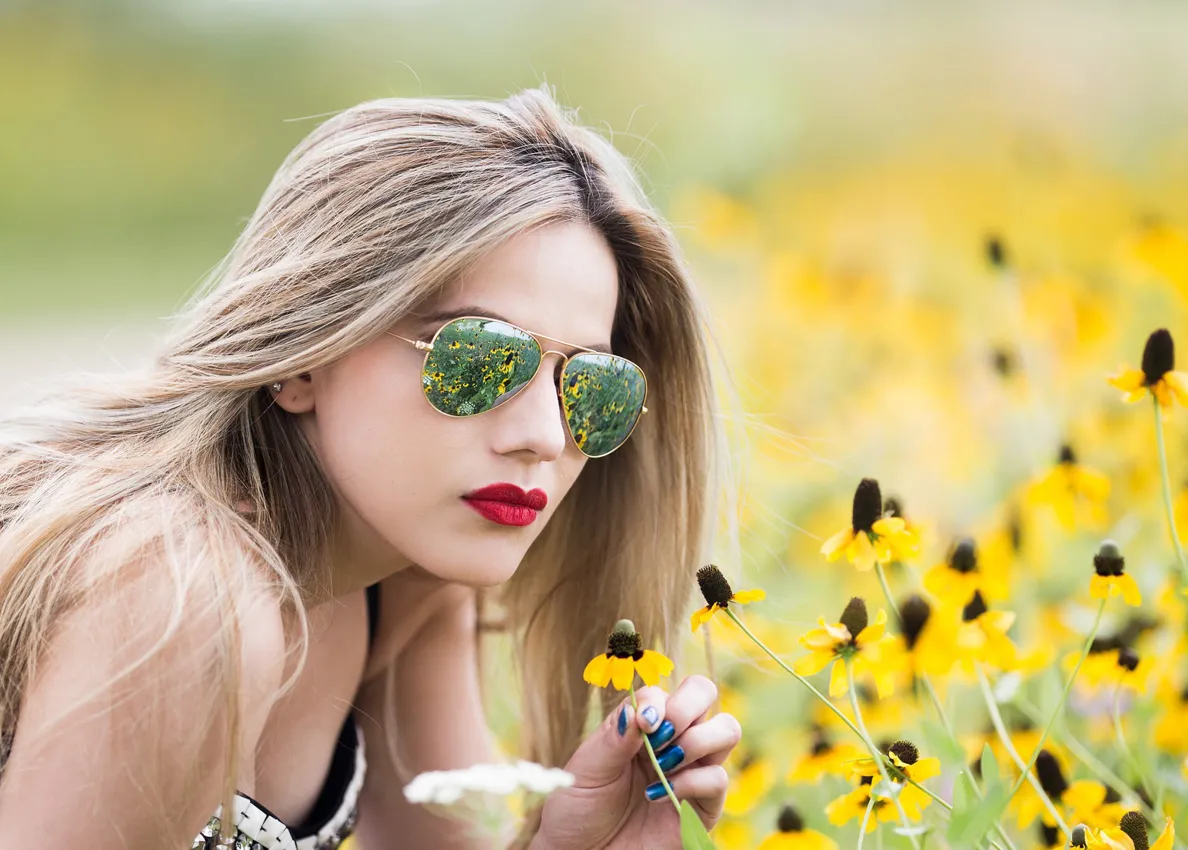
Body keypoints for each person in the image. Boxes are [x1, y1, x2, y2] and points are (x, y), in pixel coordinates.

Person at [0, 85, 740, 849]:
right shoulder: (179, 593)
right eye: (478, 360)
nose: (546, 437)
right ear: (303, 357)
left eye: (592, 388)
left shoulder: (408, 584)